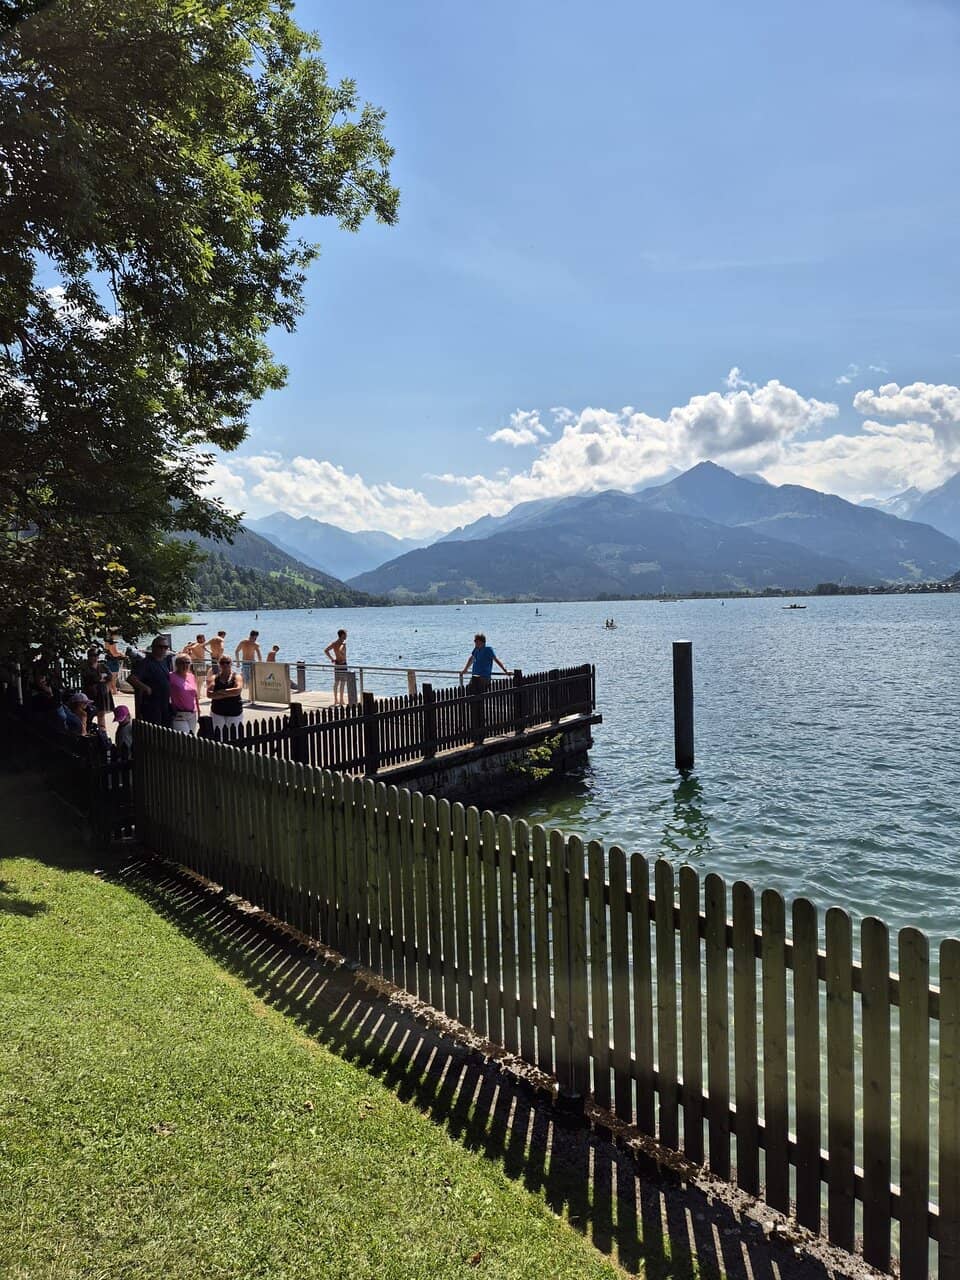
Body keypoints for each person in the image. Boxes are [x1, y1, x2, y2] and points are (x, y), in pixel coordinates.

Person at [128, 636, 172, 726]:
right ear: (153, 647)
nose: (163, 649)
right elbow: (131, 678)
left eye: (166, 647)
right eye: (160, 647)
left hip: (164, 703)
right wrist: (146, 688)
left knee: (166, 729)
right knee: (154, 730)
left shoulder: (165, 661)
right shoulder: (146, 663)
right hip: (152, 705)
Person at [207, 655, 245, 734]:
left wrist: (219, 692)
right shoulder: (214, 677)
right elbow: (209, 694)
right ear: (219, 664)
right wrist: (230, 693)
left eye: (227, 662)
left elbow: (237, 690)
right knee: (218, 735)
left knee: (233, 735)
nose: (225, 665)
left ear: (231, 663)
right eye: (222, 662)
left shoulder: (237, 677)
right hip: (217, 712)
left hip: (234, 712)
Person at [81, 646, 114, 731]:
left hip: (102, 692)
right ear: (89, 657)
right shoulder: (85, 667)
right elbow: (90, 679)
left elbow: (110, 676)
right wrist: (101, 678)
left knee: (101, 713)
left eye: (96, 655)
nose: (94, 658)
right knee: (89, 713)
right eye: (92, 656)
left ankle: (102, 732)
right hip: (90, 694)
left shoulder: (102, 666)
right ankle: (87, 730)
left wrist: (102, 679)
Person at [170, 653, 201, 733]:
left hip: (192, 714)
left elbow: (195, 695)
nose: (185, 665)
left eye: (187, 662)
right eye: (182, 662)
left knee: (191, 737)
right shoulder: (171, 676)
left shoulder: (191, 676)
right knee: (184, 738)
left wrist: (199, 710)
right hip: (179, 715)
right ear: (176, 664)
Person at [324, 629, 349, 706]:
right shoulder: (343, 643)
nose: (346, 636)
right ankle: (341, 700)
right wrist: (342, 654)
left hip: (337, 663)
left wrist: (332, 659)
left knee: (336, 682)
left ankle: (335, 700)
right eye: (345, 634)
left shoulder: (334, 643)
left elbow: (326, 650)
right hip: (343, 664)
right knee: (342, 682)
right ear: (342, 635)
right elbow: (340, 649)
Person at [103, 631, 125, 695]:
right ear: (113, 635)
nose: (118, 636)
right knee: (114, 677)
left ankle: (111, 690)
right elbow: (114, 654)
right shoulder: (112, 643)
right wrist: (121, 654)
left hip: (108, 661)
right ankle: (114, 690)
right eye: (117, 635)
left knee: (111, 676)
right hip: (113, 661)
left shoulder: (106, 642)